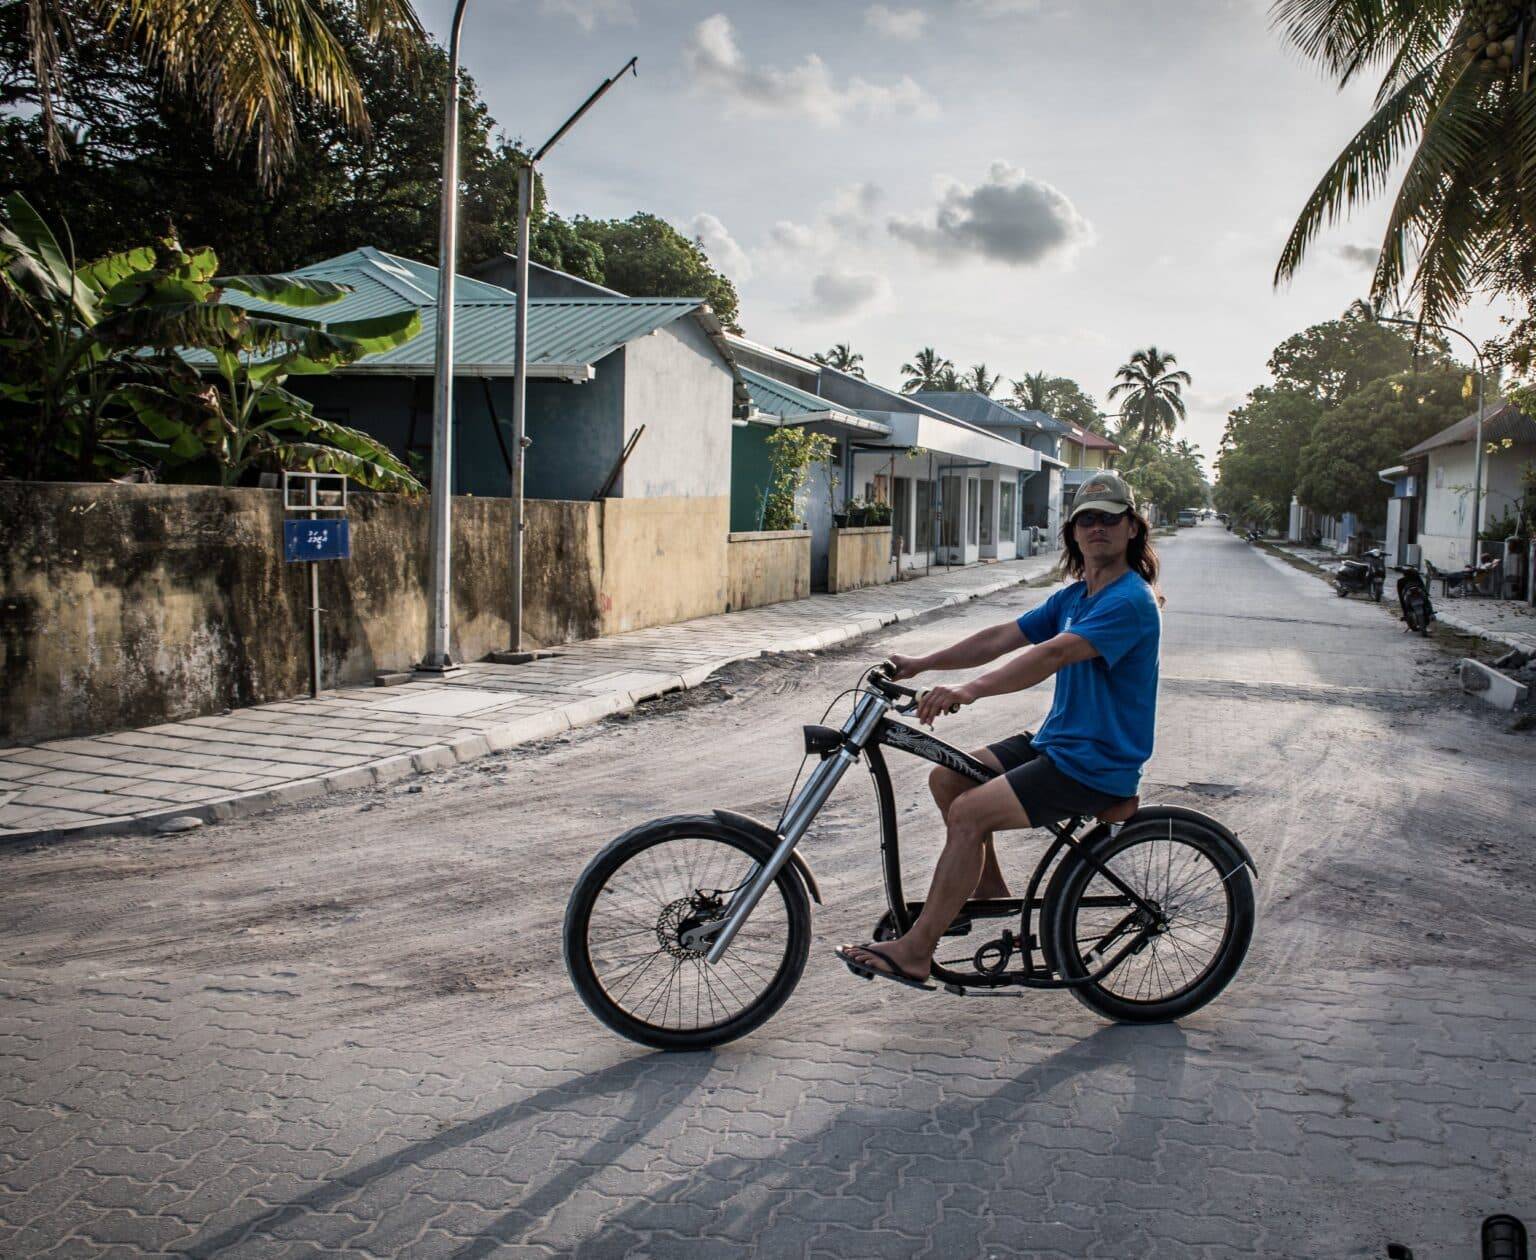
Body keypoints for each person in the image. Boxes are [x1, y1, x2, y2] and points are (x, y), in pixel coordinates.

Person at [837, 472, 1165, 989]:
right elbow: (1000, 637)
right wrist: (921, 663)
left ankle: (916, 951)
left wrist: (968, 691)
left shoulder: (1129, 600)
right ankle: (987, 889)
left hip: (1095, 763)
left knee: (968, 814)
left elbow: (1051, 654)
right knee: (948, 778)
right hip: (1056, 744)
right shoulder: (1077, 596)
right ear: (1074, 533)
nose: (1097, 527)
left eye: (1109, 517)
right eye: (1087, 519)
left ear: (1131, 529)